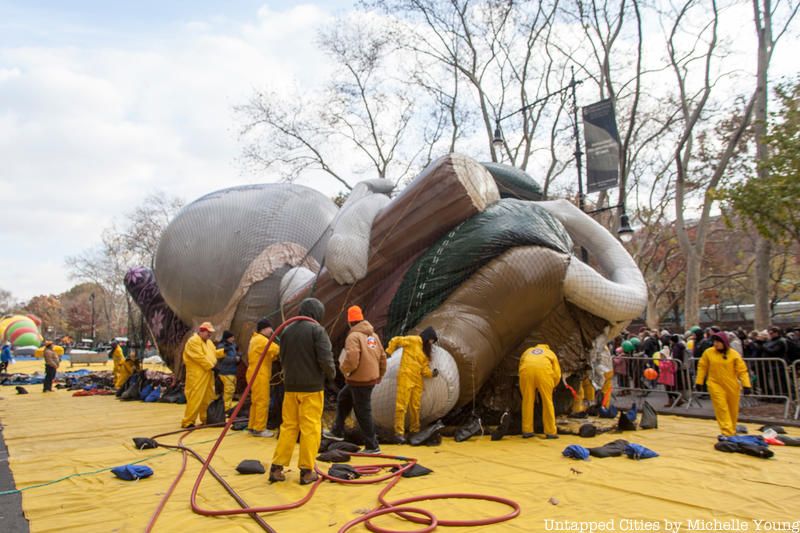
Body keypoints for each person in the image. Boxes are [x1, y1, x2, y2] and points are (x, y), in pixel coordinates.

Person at [270, 298, 336, 485]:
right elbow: (325, 358)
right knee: (310, 428)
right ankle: (307, 471)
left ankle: (276, 467)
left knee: (288, 427)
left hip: (290, 388)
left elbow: (282, 358)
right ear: (317, 313)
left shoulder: (287, 331)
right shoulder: (317, 330)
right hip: (312, 389)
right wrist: (332, 375)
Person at [324, 305, 386, 452]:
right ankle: (337, 431)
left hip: (359, 380)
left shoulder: (353, 336)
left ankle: (372, 446)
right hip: (368, 379)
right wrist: (380, 375)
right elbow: (382, 357)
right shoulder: (373, 336)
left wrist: (344, 370)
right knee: (343, 397)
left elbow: (352, 359)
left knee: (363, 412)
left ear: (350, 321)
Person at [386, 327, 439, 443]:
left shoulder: (426, 352)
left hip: (417, 380)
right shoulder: (413, 340)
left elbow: (424, 368)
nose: (431, 343)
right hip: (406, 376)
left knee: (415, 407)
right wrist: (389, 351)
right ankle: (399, 432)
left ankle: (415, 430)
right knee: (401, 406)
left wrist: (431, 373)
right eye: (431, 340)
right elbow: (396, 340)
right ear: (427, 337)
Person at [695, 332, 752, 436]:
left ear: (724, 342)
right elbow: (702, 367)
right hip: (714, 383)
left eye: (718, 342)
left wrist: (746, 385)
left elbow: (742, 370)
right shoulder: (708, 352)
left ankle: (732, 429)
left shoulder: (734, 354)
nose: (715, 344)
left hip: (732, 384)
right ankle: (727, 431)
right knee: (721, 407)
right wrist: (699, 381)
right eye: (714, 342)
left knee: (732, 409)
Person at [181, 322, 224, 429]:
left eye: (210, 332)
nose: (209, 334)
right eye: (207, 332)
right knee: (196, 397)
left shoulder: (209, 343)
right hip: (197, 375)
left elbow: (213, 354)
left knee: (208, 397)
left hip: (208, 373)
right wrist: (212, 366)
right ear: (201, 331)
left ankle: (206, 418)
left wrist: (224, 352)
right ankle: (188, 421)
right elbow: (199, 357)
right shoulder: (193, 341)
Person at [518, 343, 561, 439]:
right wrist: (553, 385)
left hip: (526, 373)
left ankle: (527, 430)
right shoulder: (550, 353)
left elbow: (521, 365)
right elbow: (557, 373)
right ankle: (550, 432)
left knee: (527, 401)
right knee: (547, 402)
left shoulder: (528, 351)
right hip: (544, 374)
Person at [246, 319, 279, 438]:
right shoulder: (261, 340)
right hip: (259, 374)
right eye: (270, 328)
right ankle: (259, 428)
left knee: (255, 401)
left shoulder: (255, 340)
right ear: (264, 329)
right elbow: (276, 349)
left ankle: (253, 425)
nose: (272, 331)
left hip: (255, 373)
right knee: (262, 401)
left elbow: (269, 355)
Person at [216, 330, 240, 412]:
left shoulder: (232, 346)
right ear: (227, 338)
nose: (233, 339)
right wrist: (234, 359)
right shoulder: (222, 346)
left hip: (232, 371)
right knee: (229, 390)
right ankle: (226, 408)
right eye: (231, 337)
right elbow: (221, 359)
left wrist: (238, 357)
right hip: (225, 372)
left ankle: (227, 406)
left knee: (231, 390)